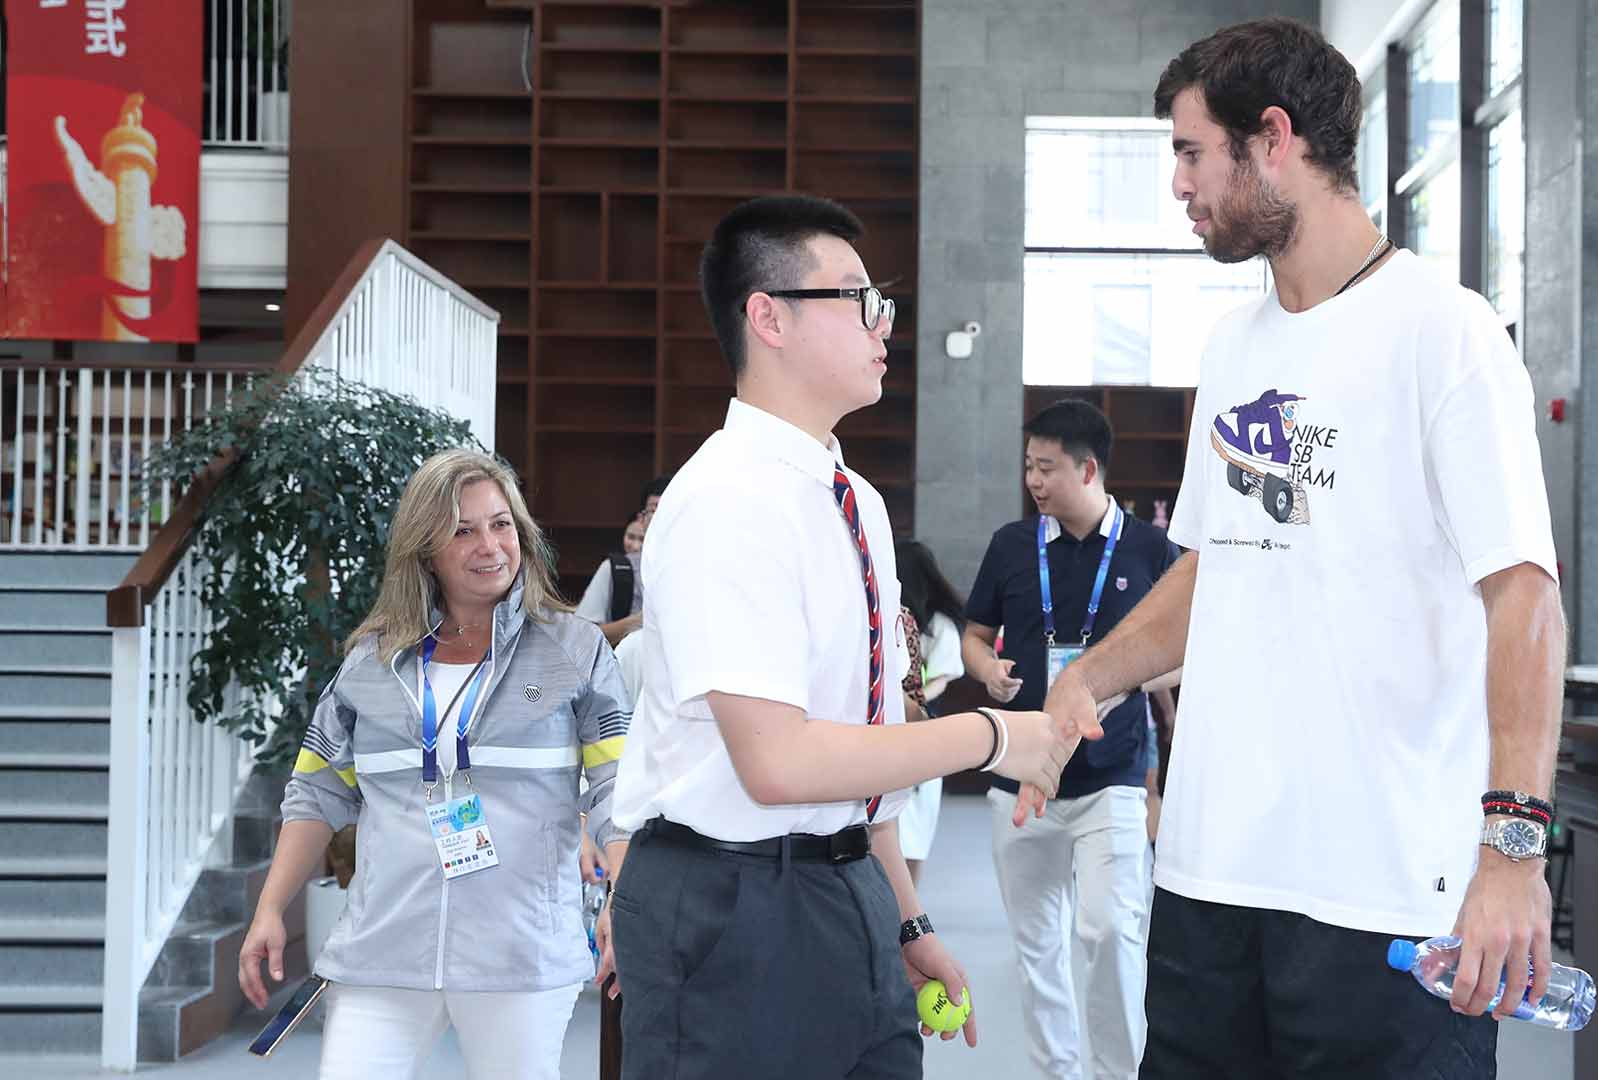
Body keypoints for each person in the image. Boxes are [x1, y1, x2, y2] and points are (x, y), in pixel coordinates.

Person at [1022, 19, 1566, 1079]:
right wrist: (1092, 671)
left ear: (1272, 139)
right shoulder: (1233, 348)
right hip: (1209, 882)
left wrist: (1511, 850)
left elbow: (1524, 603)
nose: (1178, 186)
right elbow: (1219, 566)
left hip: (1384, 899)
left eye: (1190, 153)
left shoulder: (1444, 335)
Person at [601, 194, 1074, 1080]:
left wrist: (904, 916)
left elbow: (863, 739)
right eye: (856, 298)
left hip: (844, 885)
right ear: (768, 317)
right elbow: (776, 765)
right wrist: (994, 736)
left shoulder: (855, 499)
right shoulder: (726, 500)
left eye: (880, 301)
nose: (881, 323)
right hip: (728, 900)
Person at [236, 448, 633, 1080]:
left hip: (519, 956)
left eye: (501, 524)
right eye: (462, 530)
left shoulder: (573, 651)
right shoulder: (372, 661)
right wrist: (270, 908)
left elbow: (619, 788)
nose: (490, 546)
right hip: (383, 951)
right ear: (425, 549)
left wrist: (624, 894)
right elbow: (314, 792)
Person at [962, 398, 1184, 1080]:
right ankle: (1056, 1073)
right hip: (1020, 781)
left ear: (1089, 469)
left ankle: (1119, 1073)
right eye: (1029, 466)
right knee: (1037, 948)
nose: (1034, 480)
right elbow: (974, 635)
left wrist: (1118, 685)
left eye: (1047, 467)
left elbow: (1178, 651)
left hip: (1111, 778)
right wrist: (987, 669)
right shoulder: (1010, 545)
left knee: (1112, 932)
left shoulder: (1151, 550)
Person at [893, 538, 968, 884]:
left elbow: (942, 678)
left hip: (922, 728)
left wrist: (914, 697)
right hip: (885, 730)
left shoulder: (939, 626)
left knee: (914, 834)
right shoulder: (883, 617)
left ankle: (909, 912)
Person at [577, 474, 672, 647]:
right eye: (654, 510)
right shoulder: (616, 569)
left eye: (671, 510)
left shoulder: (698, 574)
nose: (662, 518)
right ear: (642, 519)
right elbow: (581, 636)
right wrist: (639, 621)